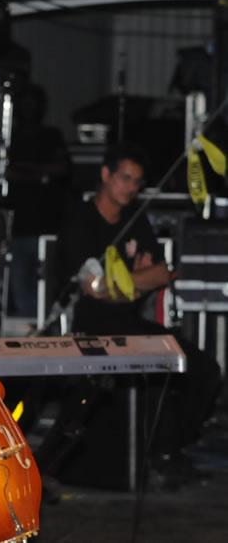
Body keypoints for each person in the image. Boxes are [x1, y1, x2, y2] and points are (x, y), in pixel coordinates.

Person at [50, 141, 221, 485]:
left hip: (132, 323)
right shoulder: (79, 223)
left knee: (203, 369)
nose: (131, 188)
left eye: (137, 182)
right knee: (134, 383)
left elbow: (162, 273)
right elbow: (95, 290)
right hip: (92, 326)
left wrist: (126, 283)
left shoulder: (135, 219)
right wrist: (134, 281)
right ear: (105, 175)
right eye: (125, 178)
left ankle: (164, 450)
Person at [3, 83, 71, 317]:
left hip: (47, 226)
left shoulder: (51, 135)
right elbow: (7, 171)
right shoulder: (10, 135)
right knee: (20, 289)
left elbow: (61, 169)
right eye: (26, 103)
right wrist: (41, 174)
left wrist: (29, 172)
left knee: (47, 289)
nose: (30, 109)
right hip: (19, 226)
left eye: (34, 104)